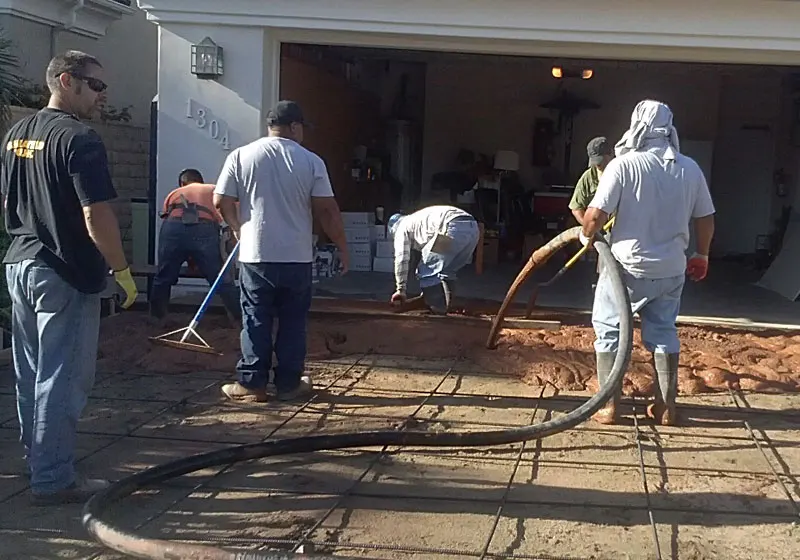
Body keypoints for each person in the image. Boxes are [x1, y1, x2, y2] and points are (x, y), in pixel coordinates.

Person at [0, 50, 138, 505]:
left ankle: (41, 458)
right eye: (96, 86)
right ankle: (53, 477)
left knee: (30, 372)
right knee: (61, 377)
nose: (102, 96)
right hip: (66, 271)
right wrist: (121, 271)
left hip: (21, 263)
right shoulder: (80, 139)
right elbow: (96, 212)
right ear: (66, 81)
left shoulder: (17, 134)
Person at [579, 99, 715, 426]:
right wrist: (702, 254)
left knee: (610, 331)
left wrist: (587, 236)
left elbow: (596, 215)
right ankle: (666, 407)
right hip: (670, 269)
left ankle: (609, 407)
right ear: (669, 128)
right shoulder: (689, 168)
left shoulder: (624, 165)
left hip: (625, 269)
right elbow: (706, 217)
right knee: (664, 333)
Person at [214, 100, 348, 403]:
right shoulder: (311, 161)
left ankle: (252, 384)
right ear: (296, 127)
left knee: (255, 318)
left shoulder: (241, 156)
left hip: (255, 255)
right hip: (297, 257)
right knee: (292, 321)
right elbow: (327, 210)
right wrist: (342, 248)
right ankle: (289, 384)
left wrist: (238, 229)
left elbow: (220, 200)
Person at [149, 168, 241, 324]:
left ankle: (157, 318)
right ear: (201, 181)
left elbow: (181, 232)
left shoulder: (175, 193)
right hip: (204, 227)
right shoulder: (213, 189)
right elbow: (231, 208)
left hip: (173, 226)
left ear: (182, 183)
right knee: (220, 278)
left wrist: (190, 258)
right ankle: (239, 319)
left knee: (163, 277)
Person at [388, 205, 480, 314]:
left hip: (451, 227)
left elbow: (401, 259)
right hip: (473, 229)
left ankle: (437, 307)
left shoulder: (401, 227)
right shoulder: (416, 220)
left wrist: (400, 290)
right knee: (447, 270)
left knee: (427, 270)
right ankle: (445, 303)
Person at [569, 136, 615, 226]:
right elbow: (576, 208)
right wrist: (589, 228)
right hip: (598, 230)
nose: (598, 164)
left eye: (600, 160)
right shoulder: (589, 177)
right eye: (595, 161)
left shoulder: (623, 173)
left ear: (611, 154)